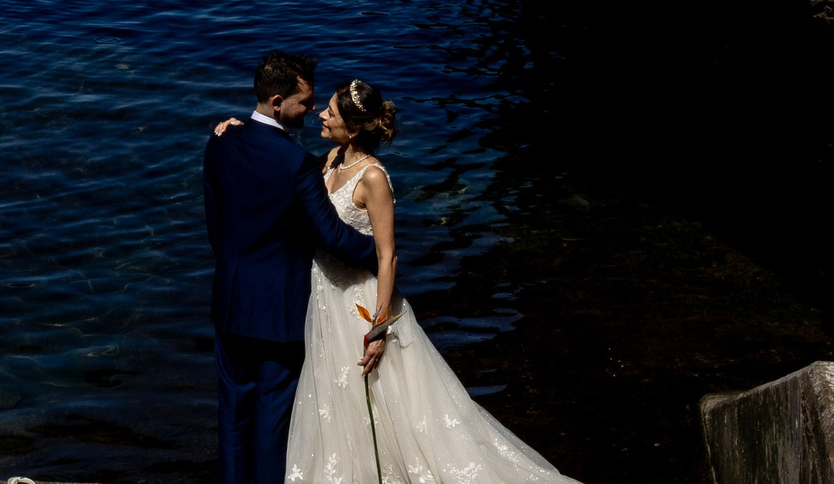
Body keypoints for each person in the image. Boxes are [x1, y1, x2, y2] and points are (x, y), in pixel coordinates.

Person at [216, 80, 580, 484]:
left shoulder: (373, 177)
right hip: (321, 297)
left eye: (331, 112)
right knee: (331, 401)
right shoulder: (328, 159)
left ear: (353, 129)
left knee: (380, 403)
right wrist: (241, 128)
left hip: (357, 300)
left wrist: (380, 326)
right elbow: (279, 166)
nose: (321, 113)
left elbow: (387, 255)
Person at [203, 52, 383, 484]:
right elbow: (332, 236)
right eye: (305, 102)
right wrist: (383, 252)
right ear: (279, 100)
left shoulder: (220, 141)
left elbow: (216, 226)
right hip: (279, 312)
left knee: (233, 417)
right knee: (272, 421)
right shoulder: (296, 163)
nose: (312, 110)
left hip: (229, 301)